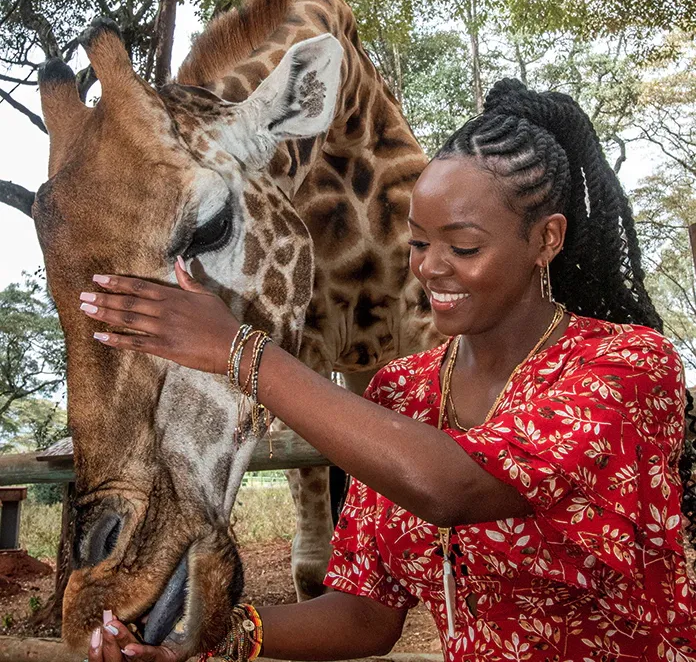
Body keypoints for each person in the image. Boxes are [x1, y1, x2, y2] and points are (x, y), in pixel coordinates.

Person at [79, 79, 696, 661]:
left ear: (547, 238)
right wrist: (213, 633)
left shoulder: (626, 367)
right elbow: (365, 614)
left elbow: (453, 487)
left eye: (464, 247)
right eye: (420, 242)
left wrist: (240, 351)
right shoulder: (404, 392)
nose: (430, 268)